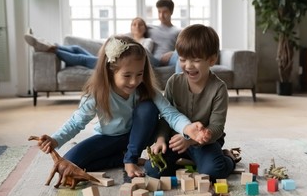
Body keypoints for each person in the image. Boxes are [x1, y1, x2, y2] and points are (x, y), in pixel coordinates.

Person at [34, 35, 211, 178]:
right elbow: (75, 123)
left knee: (148, 107)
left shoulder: (144, 89)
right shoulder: (96, 94)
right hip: (108, 139)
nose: (134, 81)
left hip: (139, 136)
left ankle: (130, 159)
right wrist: (55, 140)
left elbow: (170, 113)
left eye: (139, 74)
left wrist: (189, 128)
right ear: (111, 71)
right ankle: (120, 159)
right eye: (127, 75)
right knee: (70, 162)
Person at [144, 24, 240, 181]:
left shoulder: (219, 89)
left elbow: (216, 128)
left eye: (195, 60)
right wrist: (160, 139)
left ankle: (228, 157)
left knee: (213, 172)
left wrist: (190, 141)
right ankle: (187, 161)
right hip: (176, 140)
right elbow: (166, 117)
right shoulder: (174, 82)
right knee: (152, 169)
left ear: (212, 60)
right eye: (182, 59)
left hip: (206, 141)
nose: (188, 66)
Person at [23, 17, 154, 69]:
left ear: (145, 28)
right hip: (108, 58)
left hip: (115, 63)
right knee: (76, 48)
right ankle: (49, 45)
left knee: (82, 58)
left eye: (140, 24)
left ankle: (48, 47)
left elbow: (144, 54)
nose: (137, 27)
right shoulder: (124, 37)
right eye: (134, 24)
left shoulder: (147, 41)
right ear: (131, 27)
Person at [147, 0, 181, 67]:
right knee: (142, 50)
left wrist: (173, 53)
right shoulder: (149, 28)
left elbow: (184, 47)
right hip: (153, 60)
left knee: (180, 56)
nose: (161, 15)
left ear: (171, 12)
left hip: (170, 60)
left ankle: (179, 78)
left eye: (165, 12)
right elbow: (134, 34)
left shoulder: (178, 31)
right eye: (159, 12)